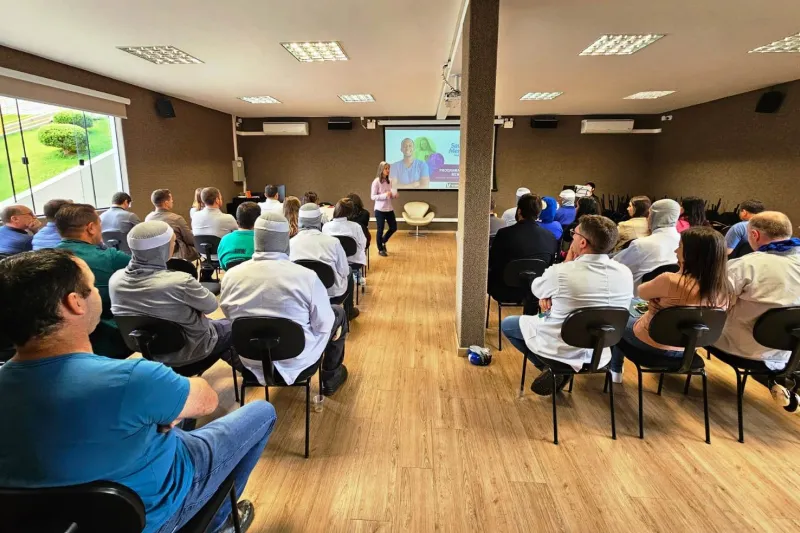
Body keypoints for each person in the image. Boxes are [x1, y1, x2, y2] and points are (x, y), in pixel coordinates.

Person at [0, 249, 275, 533]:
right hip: (155, 515)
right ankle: (219, 524)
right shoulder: (132, 379)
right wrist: (169, 410)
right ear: (74, 304)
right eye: (92, 287)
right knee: (262, 412)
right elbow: (207, 400)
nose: (97, 294)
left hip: (56, 523)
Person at [220, 212, 349, 395]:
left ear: (256, 238)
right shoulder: (307, 277)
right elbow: (324, 324)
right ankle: (331, 377)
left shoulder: (231, 277)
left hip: (249, 359)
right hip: (299, 363)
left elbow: (228, 315)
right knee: (338, 314)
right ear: (286, 240)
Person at [501, 215, 633, 394]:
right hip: (600, 352)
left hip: (561, 345)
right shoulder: (625, 273)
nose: (572, 237)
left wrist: (565, 264)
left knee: (508, 324)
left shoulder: (562, 271)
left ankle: (555, 370)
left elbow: (536, 288)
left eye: (574, 234)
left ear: (583, 243)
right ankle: (558, 371)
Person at [110, 221, 242, 372]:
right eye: (173, 242)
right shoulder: (180, 282)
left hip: (152, 354)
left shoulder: (115, 280)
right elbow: (211, 305)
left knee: (216, 328)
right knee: (236, 325)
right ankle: (254, 375)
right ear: (163, 248)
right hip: (192, 352)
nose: (175, 246)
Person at [610, 227, 730, 382]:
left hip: (651, 342)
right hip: (690, 347)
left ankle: (615, 370)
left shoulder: (669, 280)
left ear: (691, 254)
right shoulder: (726, 288)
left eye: (680, 246)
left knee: (620, 314)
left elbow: (642, 292)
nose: (675, 251)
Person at [712, 211, 800, 411]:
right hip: (790, 352)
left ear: (755, 235)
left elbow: (714, 305)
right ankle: (777, 381)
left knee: (699, 325)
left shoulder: (745, 265)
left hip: (740, 347)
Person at [55, 203, 131, 358]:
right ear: (91, 228)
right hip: (109, 342)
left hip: (59, 345)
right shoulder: (112, 258)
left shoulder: (44, 259)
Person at [290, 203, 357, 319]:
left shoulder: (290, 243)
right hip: (332, 294)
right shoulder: (333, 242)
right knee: (350, 272)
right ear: (320, 220)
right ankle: (349, 311)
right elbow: (344, 270)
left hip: (301, 294)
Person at [489, 194, 558, 304]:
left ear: (519, 211)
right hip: (537, 291)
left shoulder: (504, 234)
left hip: (504, 291)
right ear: (538, 213)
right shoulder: (551, 237)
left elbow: (492, 261)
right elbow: (550, 266)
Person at [614, 199, 681, 291]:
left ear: (654, 216)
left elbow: (615, 267)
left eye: (649, 214)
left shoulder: (640, 245)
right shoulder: (685, 243)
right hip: (671, 298)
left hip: (637, 299)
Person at [145, 189, 200, 262]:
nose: (172, 201)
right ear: (166, 203)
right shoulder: (176, 219)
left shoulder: (148, 218)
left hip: (156, 256)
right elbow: (190, 240)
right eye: (171, 199)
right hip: (178, 257)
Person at [323, 198, 367, 268]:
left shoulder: (326, 226)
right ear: (351, 212)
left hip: (333, 261)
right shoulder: (356, 227)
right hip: (353, 262)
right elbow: (363, 245)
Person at [217, 201, 259, 270]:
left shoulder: (224, 240)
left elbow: (222, 264)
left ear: (237, 221)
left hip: (231, 278)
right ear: (258, 221)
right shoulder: (262, 242)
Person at [371, 161, 398, 257]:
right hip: (379, 210)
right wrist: (384, 195)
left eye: (388, 169)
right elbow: (373, 197)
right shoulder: (376, 182)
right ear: (381, 170)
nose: (388, 170)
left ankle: (383, 240)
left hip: (389, 208)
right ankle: (380, 249)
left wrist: (393, 195)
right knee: (380, 229)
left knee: (394, 227)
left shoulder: (390, 181)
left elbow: (391, 193)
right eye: (386, 169)